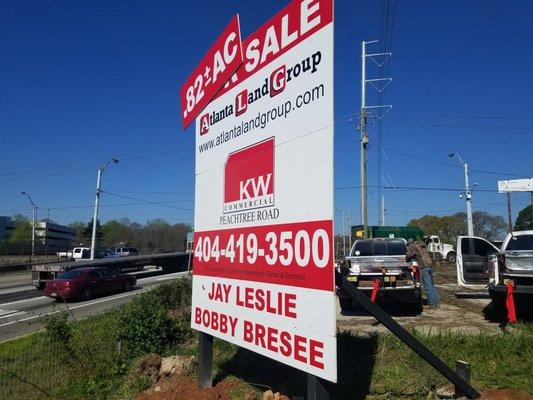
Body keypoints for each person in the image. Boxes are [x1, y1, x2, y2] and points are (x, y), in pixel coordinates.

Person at [406, 238, 439, 307]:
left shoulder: (413, 246)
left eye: (408, 245)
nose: (408, 246)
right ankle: (435, 301)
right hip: (430, 265)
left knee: (427, 286)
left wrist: (408, 257)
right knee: (431, 285)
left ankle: (432, 304)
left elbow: (408, 255)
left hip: (424, 267)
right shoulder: (422, 244)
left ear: (410, 244)